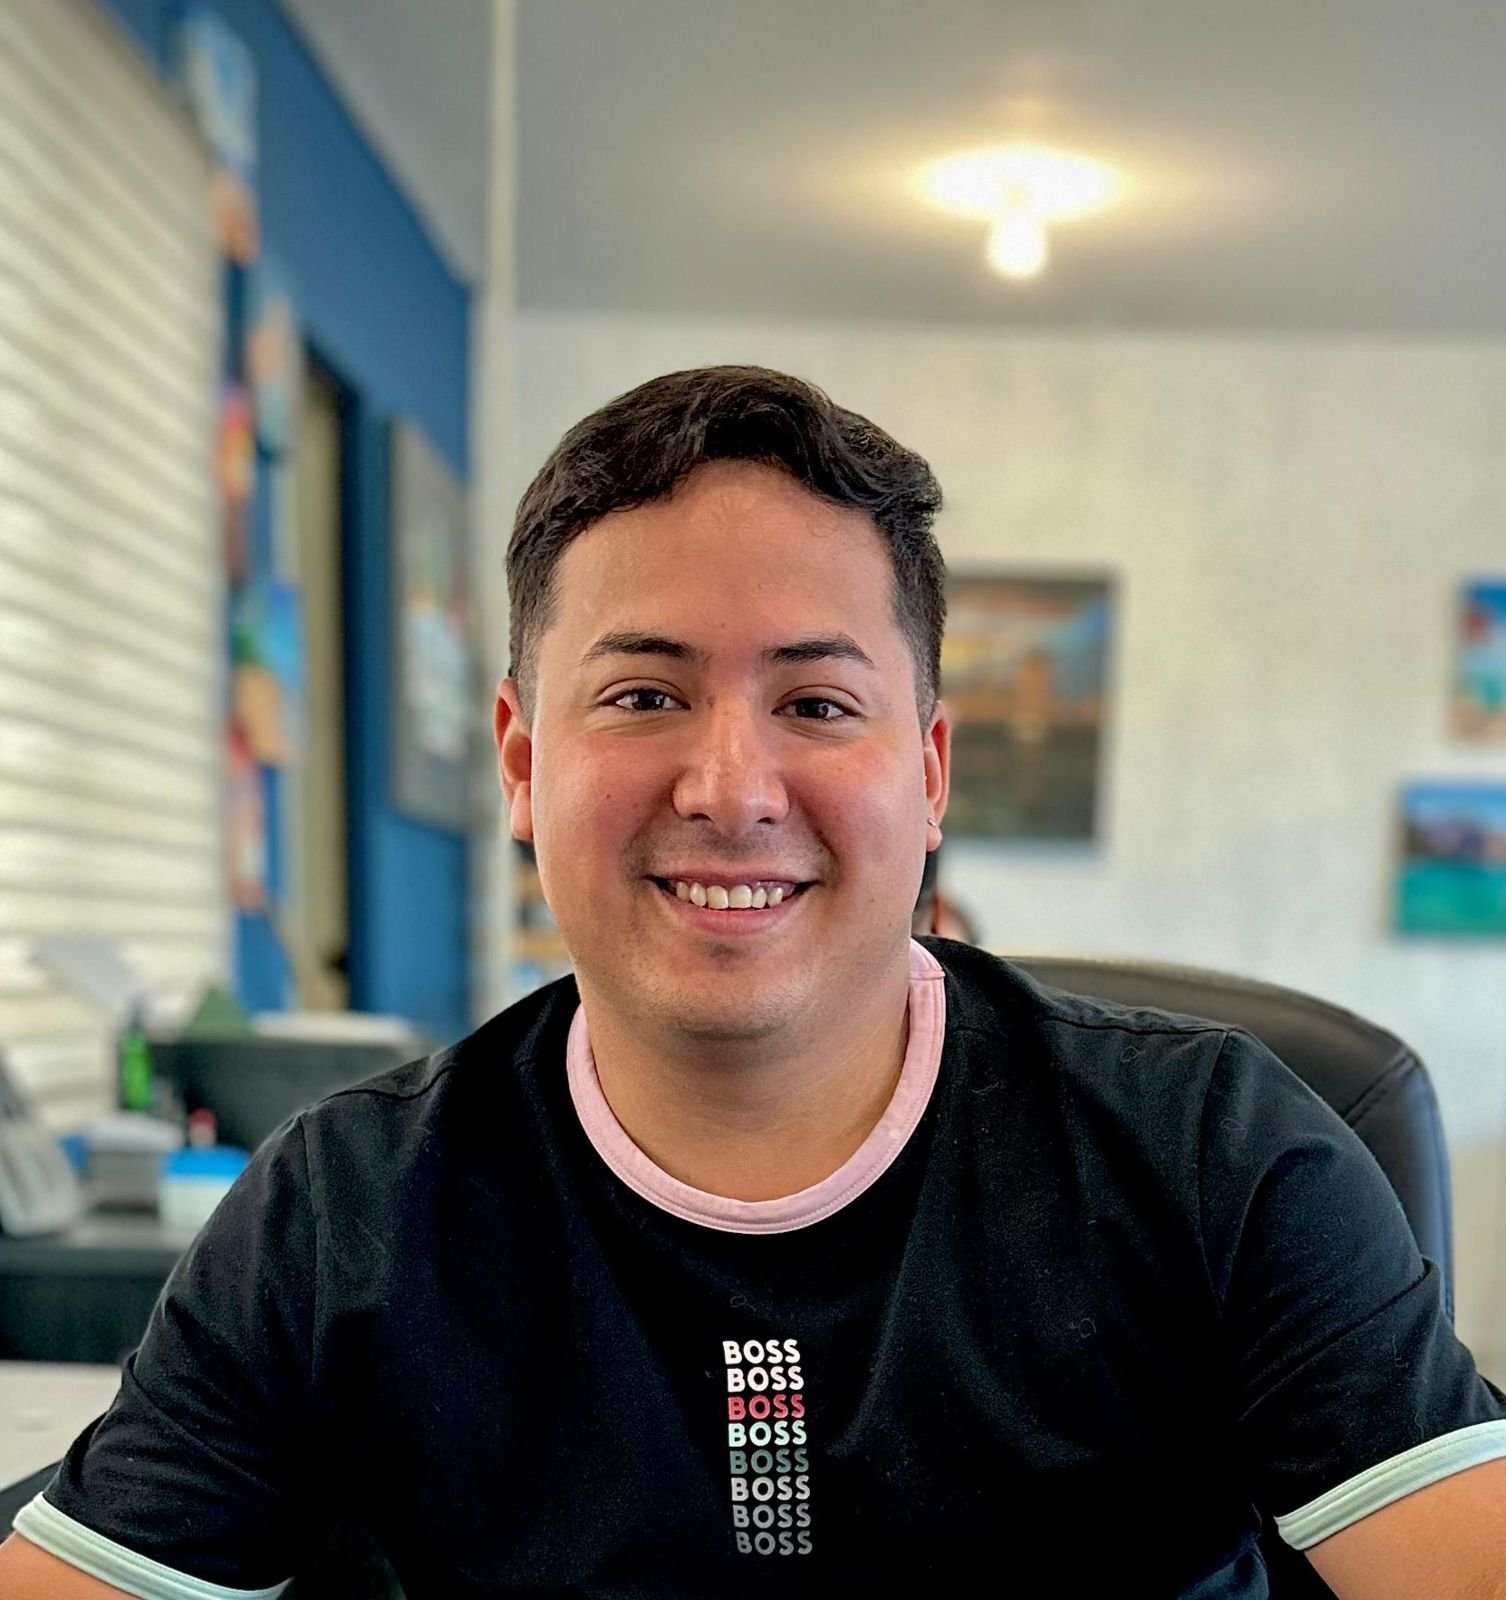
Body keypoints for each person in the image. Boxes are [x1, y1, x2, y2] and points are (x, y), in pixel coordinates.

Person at [4, 366, 1504, 1599]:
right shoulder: (345, 1212)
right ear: (522, 761)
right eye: (644, 694)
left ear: (929, 771)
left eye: (818, 702)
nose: (730, 788)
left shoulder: (1215, 1151)